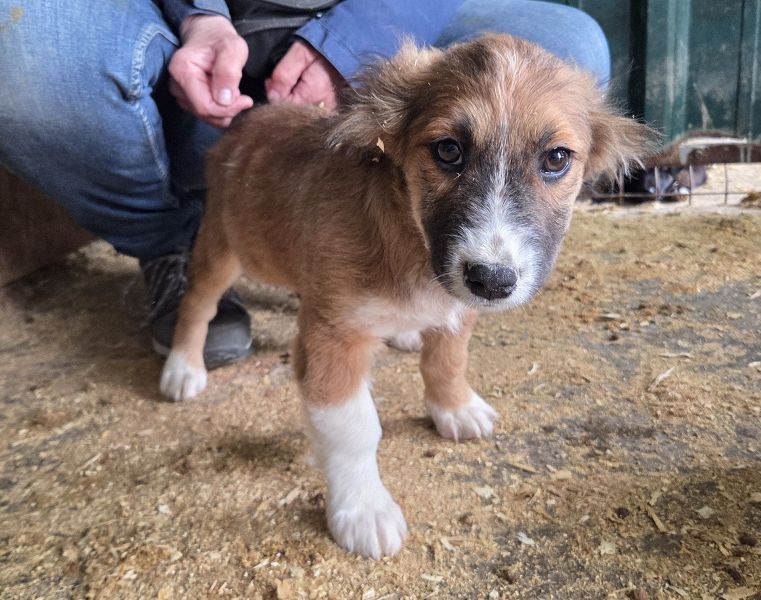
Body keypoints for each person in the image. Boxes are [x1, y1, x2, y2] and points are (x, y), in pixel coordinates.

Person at [0, 0, 610, 366]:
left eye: (557, 160)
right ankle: (165, 241)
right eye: (448, 149)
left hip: (373, 25)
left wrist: (349, 41)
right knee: (19, 51)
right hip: (179, 24)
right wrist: (200, 15)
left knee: (571, 48)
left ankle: (414, 275)